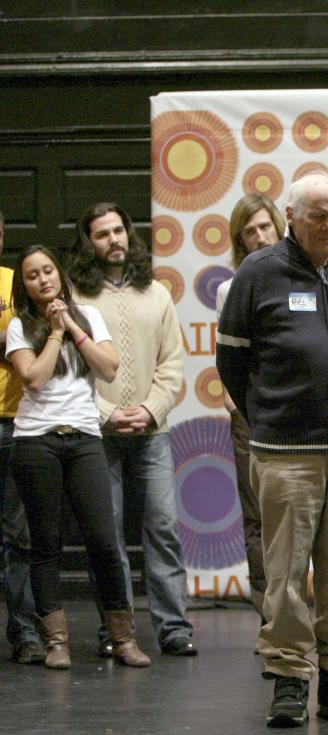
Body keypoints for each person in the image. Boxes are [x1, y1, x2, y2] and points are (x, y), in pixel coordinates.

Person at [217, 173, 328, 727]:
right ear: (292, 216)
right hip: (286, 451)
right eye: (320, 216)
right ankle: (289, 679)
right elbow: (232, 360)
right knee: (286, 573)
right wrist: (267, 417)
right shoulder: (257, 273)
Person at [6, 245, 150, 669]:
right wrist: (53, 331)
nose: (42, 279)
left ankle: (123, 638)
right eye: (32, 275)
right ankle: (56, 642)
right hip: (37, 441)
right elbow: (32, 378)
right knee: (45, 544)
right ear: (25, 286)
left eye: (47, 270)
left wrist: (70, 323)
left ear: (59, 274)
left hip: (85, 438)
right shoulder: (20, 326)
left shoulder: (88, 316)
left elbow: (108, 368)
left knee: (104, 542)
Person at [68, 202, 195, 657]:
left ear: (129, 233)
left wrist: (149, 409)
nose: (113, 240)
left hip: (151, 432)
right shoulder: (74, 298)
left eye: (119, 230)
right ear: (89, 243)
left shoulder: (157, 293)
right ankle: (115, 631)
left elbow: (172, 363)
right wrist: (105, 412)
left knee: (162, 528)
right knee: (108, 537)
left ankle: (174, 628)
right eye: (102, 234)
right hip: (96, 436)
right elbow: (72, 370)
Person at [216, 193, 285, 627]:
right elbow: (227, 356)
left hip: (297, 412)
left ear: (279, 225)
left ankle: (308, 612)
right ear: (240, 241)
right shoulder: (231, 287)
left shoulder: (305, 274)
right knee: (257, 516)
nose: (259, 236)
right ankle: (269, 613)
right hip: (250, 413)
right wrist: (239, 405)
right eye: (249, 231)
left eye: (264, 226)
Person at [0, 209, 45, 665]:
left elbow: (37, 337)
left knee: (19, 536)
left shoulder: (17, 283)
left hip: (16, 422)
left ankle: (26, 633)